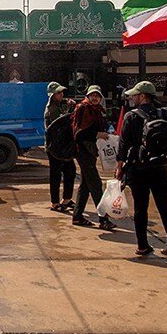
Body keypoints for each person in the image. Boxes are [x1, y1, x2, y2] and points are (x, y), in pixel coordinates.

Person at [116, 69, 167, 260]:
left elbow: (123, 145)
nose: (132, 98)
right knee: (165, 207)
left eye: (134, 95)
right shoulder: (162, 113)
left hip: (138, 170)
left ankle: (142, 246)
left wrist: (119, 168)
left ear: (142, 96)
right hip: (159, 169)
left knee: (141, 209)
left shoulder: (131, 116)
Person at [71, 85, 115, 230]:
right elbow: (79, 134)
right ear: (88, 96)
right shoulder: (84, 109)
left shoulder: (96, 110)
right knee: (96, 185)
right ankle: (103, 219)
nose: (95, 98)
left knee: (85, 185)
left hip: (90, 152)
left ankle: (77, 216)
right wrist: (97, 134)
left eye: (97, 95)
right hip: (83, 151)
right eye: (92, 95)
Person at [45, 82, 76, 212]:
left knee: (70, 170)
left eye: (61, 92)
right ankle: (55, 203)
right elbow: (62, 124)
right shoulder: (52, 109)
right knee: (55, 175)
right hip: (54, 147)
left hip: (62, 146)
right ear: (52, 95)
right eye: (58, 93)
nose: (61, 94)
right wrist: (70, 110)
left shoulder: (58, 106)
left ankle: (67, 199)